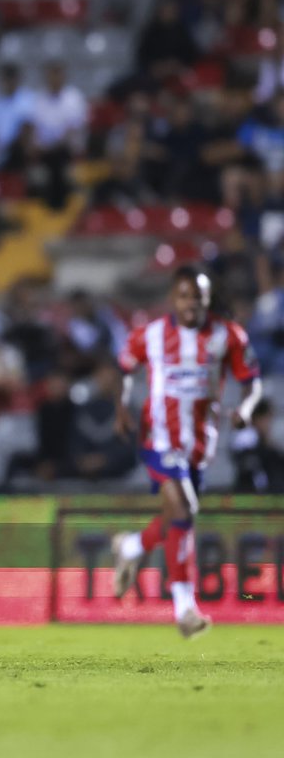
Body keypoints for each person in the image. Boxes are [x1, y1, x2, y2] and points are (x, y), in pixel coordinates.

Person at [110, 266, 262, 638]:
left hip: (199, 442)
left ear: (208, 299)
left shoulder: (228, 336)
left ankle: (131, 545)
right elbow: (125, 368)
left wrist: (245, 409)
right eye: (184, 296)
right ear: (172, 298)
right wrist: (122, 406)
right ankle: (185, 609)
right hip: (158, 436)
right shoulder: (153, 335)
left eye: (198, 296)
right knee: (184, 509)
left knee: (177, 514)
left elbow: (251, 382)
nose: (191, 303)